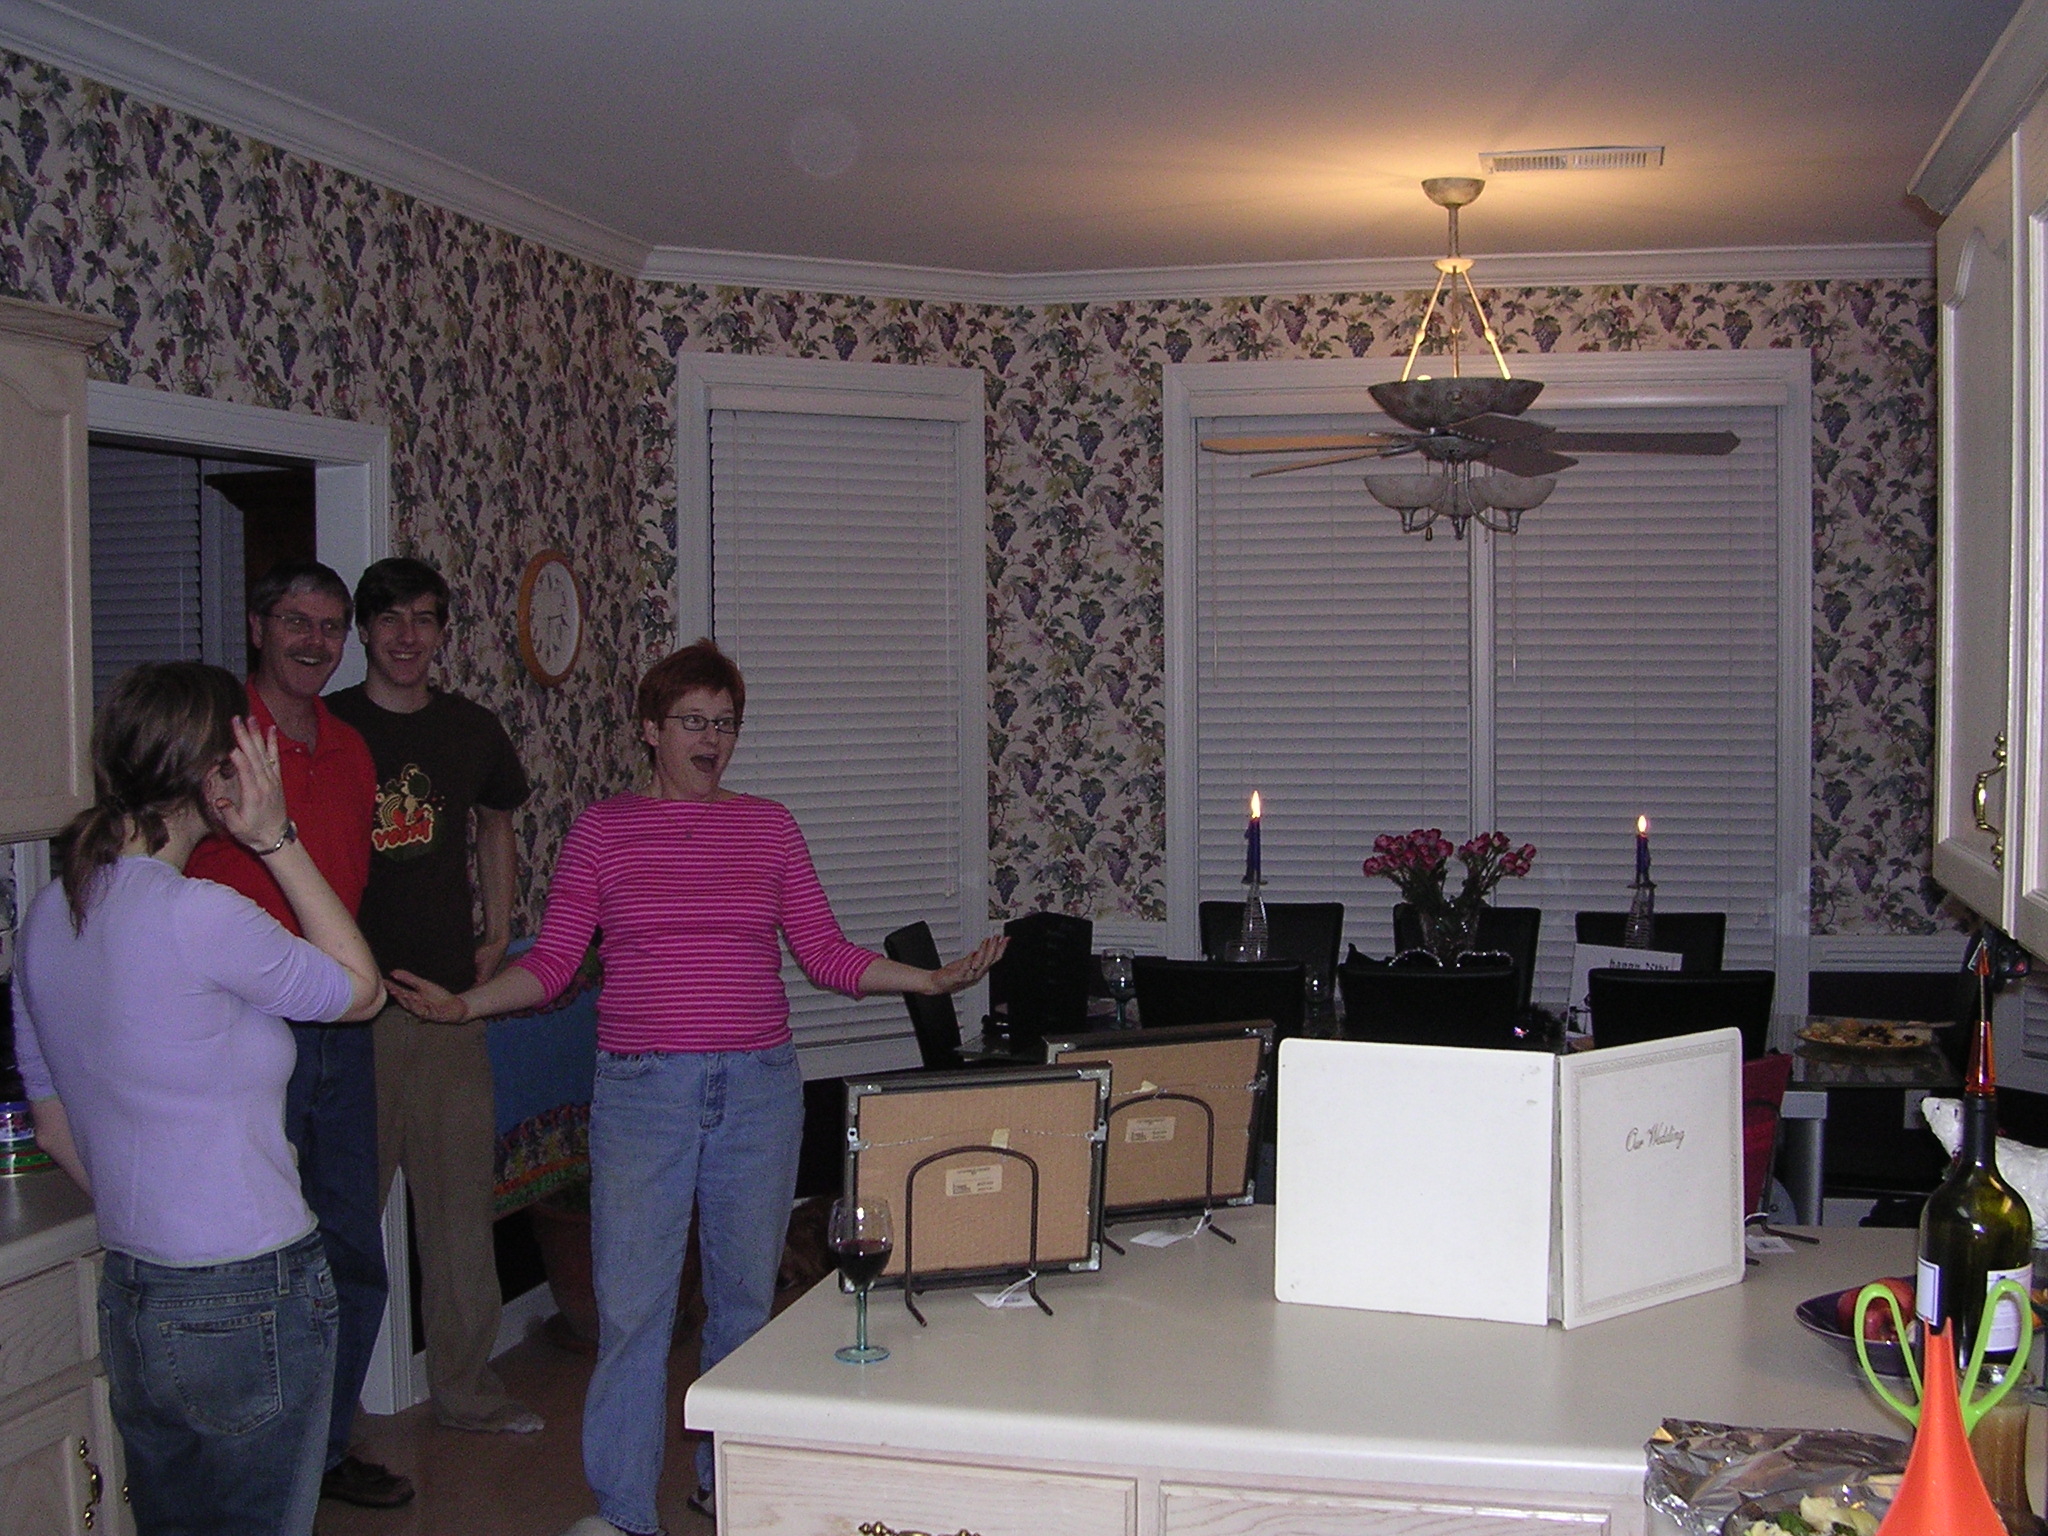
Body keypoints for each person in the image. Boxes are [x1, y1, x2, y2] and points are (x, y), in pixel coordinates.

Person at [388, 639, 1005, 1536]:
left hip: (759, 1091)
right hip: (644, 1095)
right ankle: (624, 1513)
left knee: (744, 1306)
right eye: (693, 722)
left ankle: (730, 1487)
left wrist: (930, 980)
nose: (712, 740)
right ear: (651, 728)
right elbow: (554, 963)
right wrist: (465, 1006)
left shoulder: (770, 827)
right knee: (634, 1315)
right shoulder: (604, 831)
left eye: (726, 724)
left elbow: (824, 954)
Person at [12, 662, 385, 1536]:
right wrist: (276, 838)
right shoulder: (201, 915)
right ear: (220, 775)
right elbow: (360, 989)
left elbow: (52, 1122)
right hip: (249, 1286)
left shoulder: (48, 914)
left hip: (136, 1289)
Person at [183, 561, 410, 1510]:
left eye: (329, 625)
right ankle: (258, 1462)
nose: (315, 641)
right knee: (260, 1256)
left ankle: (320, 1452)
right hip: (241, 1026)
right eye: (295, 621)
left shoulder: (353, 749)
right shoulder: (213, 739)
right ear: (257, 626)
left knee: (352, 1250)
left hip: (340, 1023)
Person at [326, 558, 542, 1435]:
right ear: (364, 632)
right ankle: (327, 1421)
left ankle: (466, 1392)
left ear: (443, 632)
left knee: (459, 1217)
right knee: (343, 1220)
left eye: (424, 619)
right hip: (351, 1013)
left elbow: (498, 819)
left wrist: (498, 926)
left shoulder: (469, 730)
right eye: (390, 619)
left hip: (450, 1004)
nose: (407, 636)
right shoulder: (329, 727)